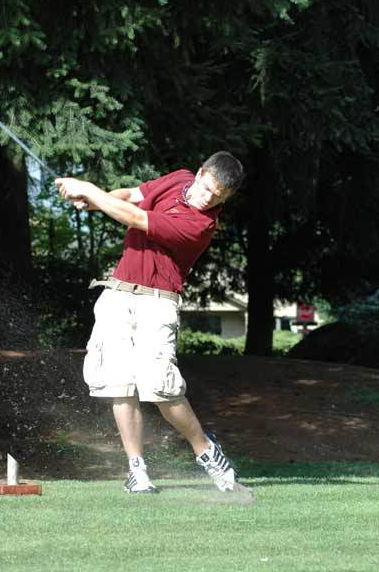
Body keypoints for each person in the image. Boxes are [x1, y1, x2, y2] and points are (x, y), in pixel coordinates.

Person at [55, 151, 244, 493]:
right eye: (206, 189)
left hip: (157, 302)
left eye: (218, 198)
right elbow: (132, 197)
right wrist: (94, 201)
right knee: (118, 383)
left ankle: (205, 450)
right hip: (117, 294)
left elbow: (136, 218)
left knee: (159, 386)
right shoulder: (178, 177)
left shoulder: (201, 225)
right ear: (200, 173)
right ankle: (137, 469)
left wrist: (88, 188)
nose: (207, 199)